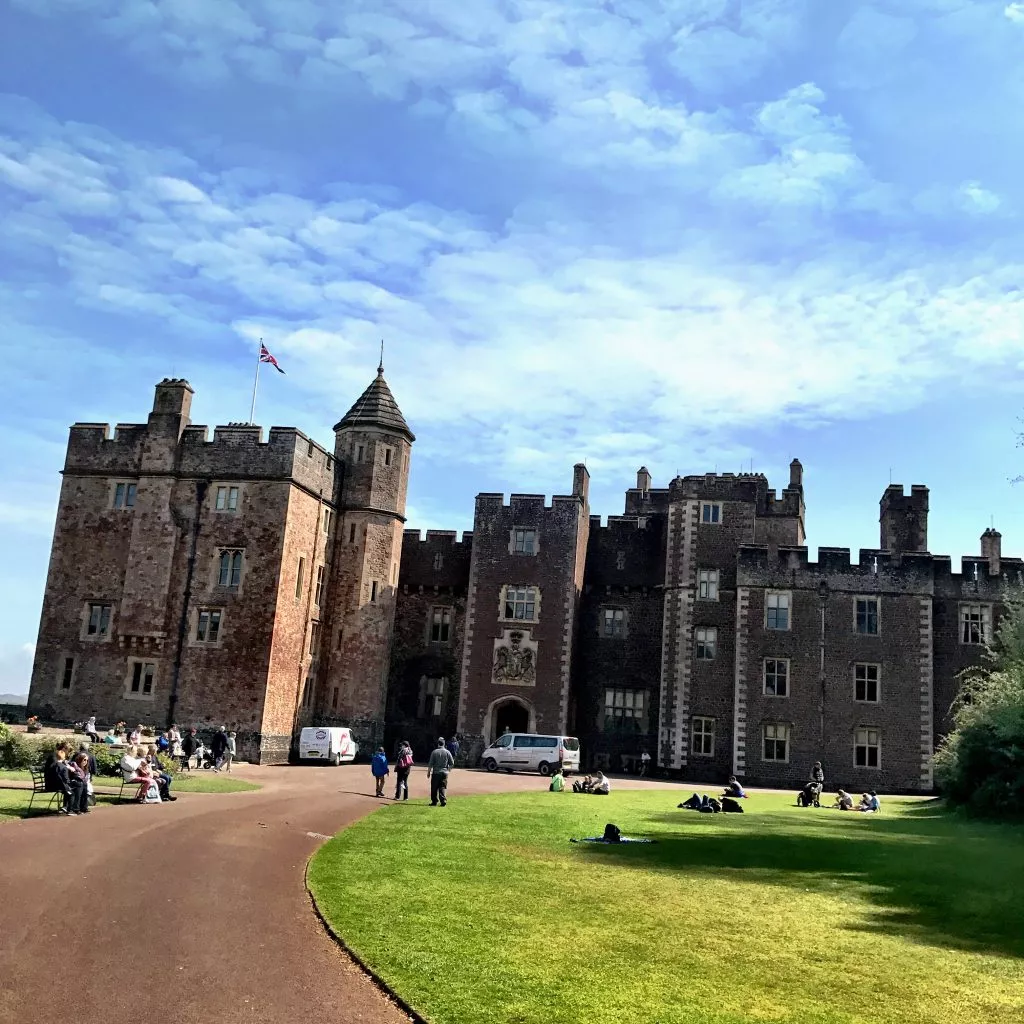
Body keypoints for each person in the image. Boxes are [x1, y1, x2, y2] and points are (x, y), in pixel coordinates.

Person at [426, 737, 455, 807]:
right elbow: (452, 763)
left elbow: (430, 764)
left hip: (436, 772)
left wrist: (428, 772)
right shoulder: (447, 752)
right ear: (444, 744)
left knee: (434, 787)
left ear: (438, 744)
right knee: (442, 787)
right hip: (444, 773)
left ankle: (434, 801)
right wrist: (448, 770)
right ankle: (443, 801)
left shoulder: (434, 752)